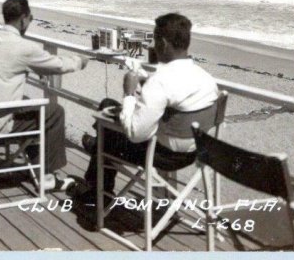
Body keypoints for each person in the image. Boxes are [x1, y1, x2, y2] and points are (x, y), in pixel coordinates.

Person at [73, 12, 219, 204]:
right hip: (194, 152)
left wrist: (129, 93)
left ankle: (98, 193)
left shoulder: (160, 81)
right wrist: (145, 84)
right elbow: (175, 107)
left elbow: (135, 134)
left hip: (161, 156)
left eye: (155, 40)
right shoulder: (207, 79)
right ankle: (96, 146)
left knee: (107, 134)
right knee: (108, 105)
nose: (154, 46)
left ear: (164, 43)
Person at [0, 0, 88, 191]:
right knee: (54, 111)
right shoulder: (24, 47)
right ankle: (47, 176)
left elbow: (14, 62)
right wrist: (80, 61)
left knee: (33, 108)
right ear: (24, 19)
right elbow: (57, 65)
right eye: (30, 18)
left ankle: (37, 164)